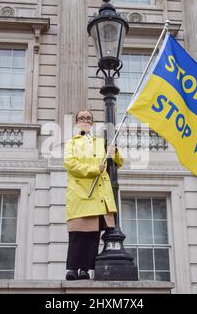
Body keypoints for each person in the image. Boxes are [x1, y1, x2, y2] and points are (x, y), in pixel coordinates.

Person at [63, 109, 124, 280]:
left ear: (92, 122)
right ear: (76, 122)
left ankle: (85, 269)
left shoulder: (101, 142)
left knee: (92, 236)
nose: (85, 120)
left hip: (99, 194)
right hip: (80, 192)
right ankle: (73, 269)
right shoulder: (71, 143)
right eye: (81, 117)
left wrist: (115, 152)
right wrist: (93, 169)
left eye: (88, 118)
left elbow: (118, 163)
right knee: (77, 232)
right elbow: (70, 164)